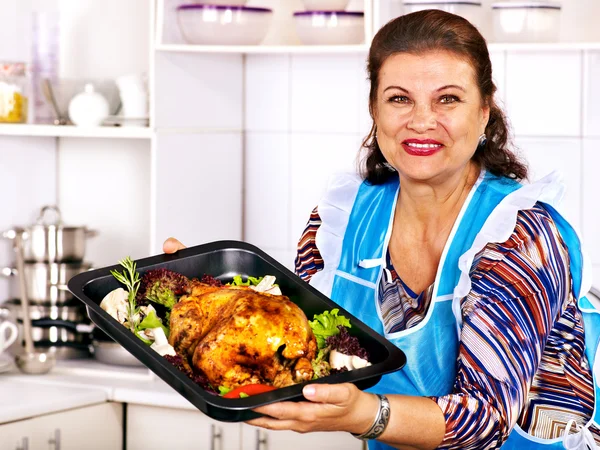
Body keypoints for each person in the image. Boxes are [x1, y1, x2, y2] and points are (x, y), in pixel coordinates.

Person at [163, 9, 600, 450]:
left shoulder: (519, 235)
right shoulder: (341, 218)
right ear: (374, 108)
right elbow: (313, 340)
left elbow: (485, 418)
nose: (422, 121)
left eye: (448, 99)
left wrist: (364, 414)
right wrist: (209, 299)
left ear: (485, 110)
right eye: (399, 99)